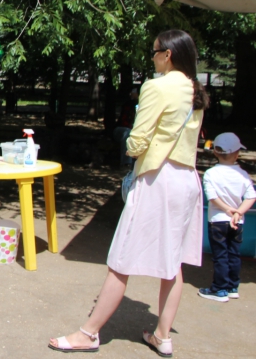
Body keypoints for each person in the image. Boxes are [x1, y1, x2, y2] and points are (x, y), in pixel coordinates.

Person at [49, 30, 208, 356]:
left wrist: (132, 148)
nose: (152, 58)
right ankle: (162, 336)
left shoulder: (157, 87)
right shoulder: (195, 90)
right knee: (173, 263)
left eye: (154, 52)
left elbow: (137, 141)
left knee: (122, 258)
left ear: (168, 55)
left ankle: (89, 333)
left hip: (158, 178)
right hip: (187, 180)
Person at [198, 132, 255, 302]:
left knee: (220, 255)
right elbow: (251, 196)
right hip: (237, 221)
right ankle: (232, 287)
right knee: (234, 254)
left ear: (215, 152)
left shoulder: (210, 174)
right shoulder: (243, 175)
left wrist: (227, 209)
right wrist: (238, 212)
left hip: (217, 221)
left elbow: (212, 197)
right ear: (237, 153)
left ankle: (219, 289)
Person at [113, 88, 139, 167]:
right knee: (127, 133)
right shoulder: (128, 105)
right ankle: (126, 163)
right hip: (121, 129)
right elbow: (123, 121)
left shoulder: (145, 106)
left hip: (135, 130)